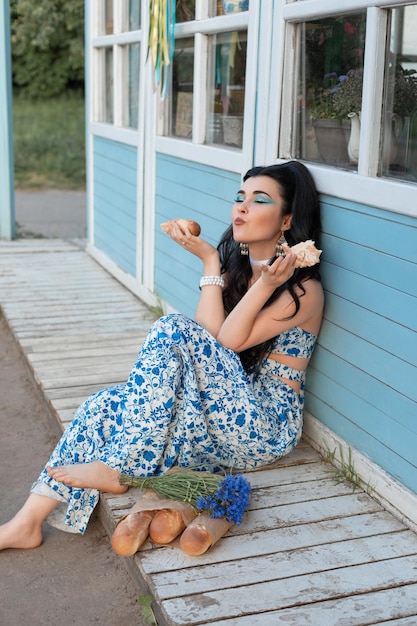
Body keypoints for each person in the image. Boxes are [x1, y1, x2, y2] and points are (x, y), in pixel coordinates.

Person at [0, 160, 324, 550]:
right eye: (240, 197)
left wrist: (264, 284)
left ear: (286, 220)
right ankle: (27, 523)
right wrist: (211, 261)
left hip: (263, 426)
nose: (241, 207)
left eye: (259, 200)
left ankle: (120, 468)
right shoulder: (243, 271)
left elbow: (229, 342)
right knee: (103, 405)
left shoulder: (304, 289)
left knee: (172, 328)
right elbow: (207, 336)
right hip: (224, 409)